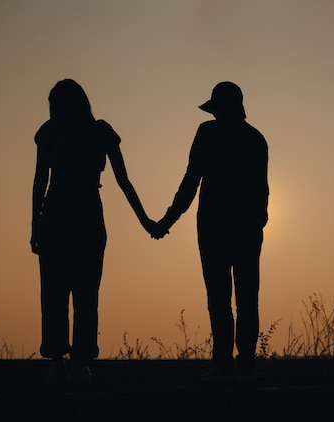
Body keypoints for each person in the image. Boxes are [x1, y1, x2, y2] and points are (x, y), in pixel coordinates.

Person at [31, 79, 155, 388]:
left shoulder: (52, 132)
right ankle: (79, 362)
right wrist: (146, 221)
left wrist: (35, 224)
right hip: (85, 212)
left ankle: (59, 362)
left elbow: (39, 182)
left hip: (58, 213)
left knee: (55, 291)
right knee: (85, 293)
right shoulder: (98, 132)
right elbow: (124, 182)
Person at [153, 81, 269, 382]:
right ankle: (244, 365)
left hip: (215, 228)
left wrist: (166, 221)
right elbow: (263, 193)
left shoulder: (208, 134)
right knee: (246, 297)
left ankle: (225, 365)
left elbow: (191, 182)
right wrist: (256, 222)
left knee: (220, 298)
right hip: (246, 229)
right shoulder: (256, 139)